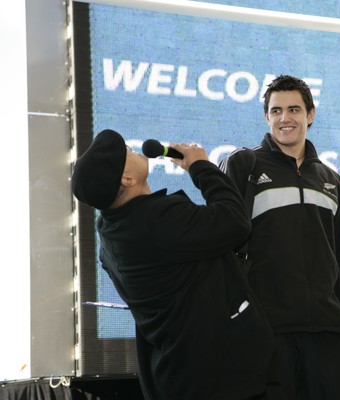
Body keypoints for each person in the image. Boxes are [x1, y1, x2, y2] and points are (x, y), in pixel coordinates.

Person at [71, 129, 275, 400]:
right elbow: (234, 222)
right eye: (127, 153)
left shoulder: (110, 232)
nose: (133, 151)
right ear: (127, 178)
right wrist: (201, 167)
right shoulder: (156, 220)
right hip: (218, 377)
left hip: (177, 375)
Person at [219, 75, 340, 399]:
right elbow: (222, 246)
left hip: (329, 336)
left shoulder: (332, 180)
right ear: (267, 117)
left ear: (310, 115)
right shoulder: (246, 166)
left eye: (294, 109)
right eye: (277, 110)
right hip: (269, 333)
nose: (285, 118)